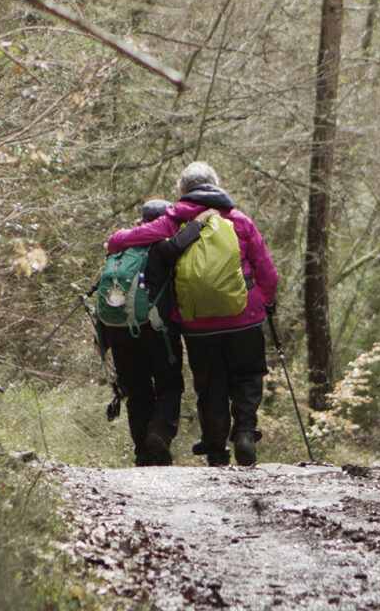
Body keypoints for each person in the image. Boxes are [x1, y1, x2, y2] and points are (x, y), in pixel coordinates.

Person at [105, 162, 278, 467]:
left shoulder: (174, 221)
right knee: (248, 375)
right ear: (217, 184)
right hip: (245, 315)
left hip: (197, 322)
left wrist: (120, 235)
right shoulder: (239, 221)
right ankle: (245, 433)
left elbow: (118, 242)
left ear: (182, 191)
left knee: (210, 382)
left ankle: (215, 449)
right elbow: (266, 271)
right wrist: (262, 301)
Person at [98, 200, 205, 467]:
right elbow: (190, 235)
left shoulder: (121, 248)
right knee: (169, 385)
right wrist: (203, 216)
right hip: (157, 330)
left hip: (119, 331)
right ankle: (158, 435)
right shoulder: (163, 248)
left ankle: (142, 451)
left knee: (137, 389)